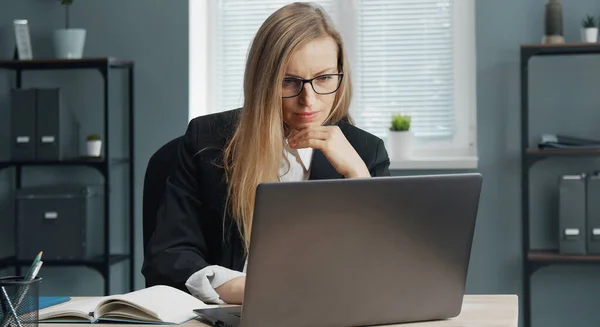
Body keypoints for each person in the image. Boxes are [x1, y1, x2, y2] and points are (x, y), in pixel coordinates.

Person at [141, 2, 391, 305]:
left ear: (341, 75)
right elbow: (167, 259)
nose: (308, 100)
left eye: (324, 78)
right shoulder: (206, 140)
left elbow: (383, 272)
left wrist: (358, 176)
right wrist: (253, 290)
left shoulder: (366, 151)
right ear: (263, 81)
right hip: (236, 314)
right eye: (289, 81)